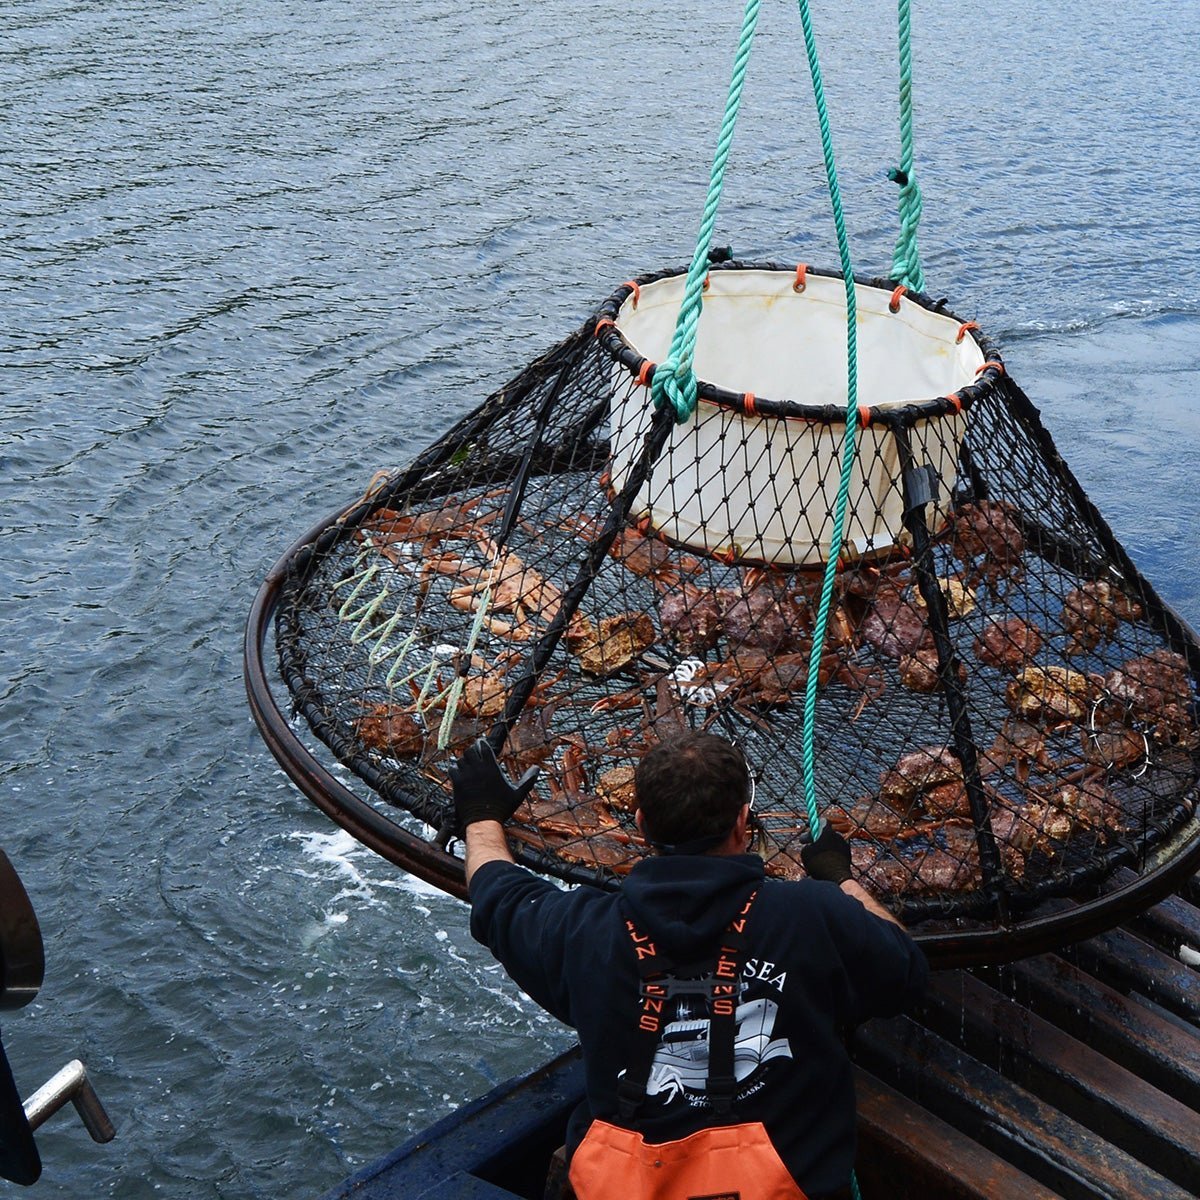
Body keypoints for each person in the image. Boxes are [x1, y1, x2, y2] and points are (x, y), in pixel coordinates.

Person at [451, 731, 928, 1200]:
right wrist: (839, 878)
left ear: (640, 824)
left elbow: (498, 895)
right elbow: (906, 970)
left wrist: (479, 816)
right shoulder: (813, 915)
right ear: (743, 822)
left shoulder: (581, 930)